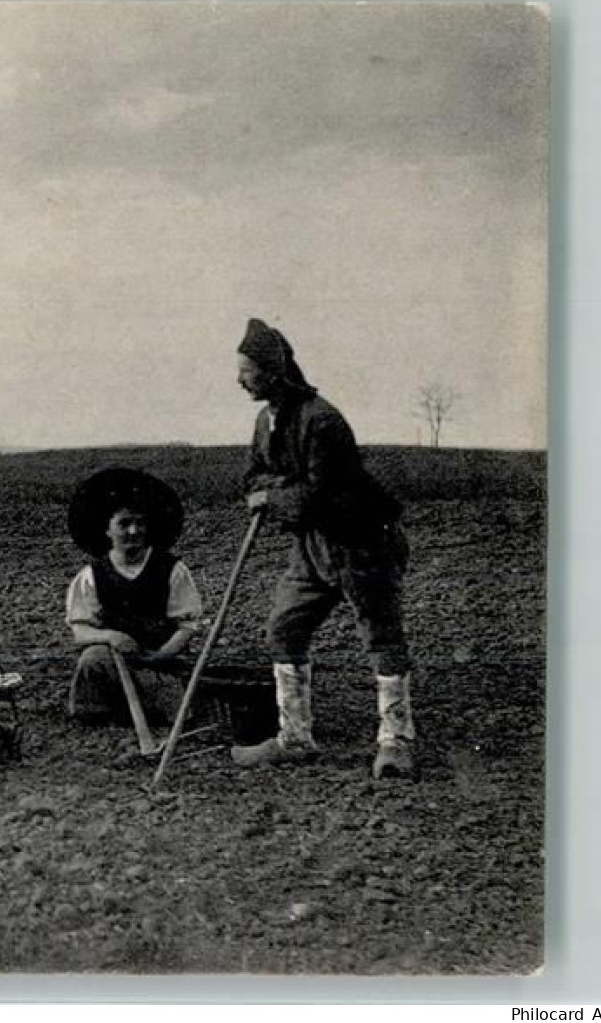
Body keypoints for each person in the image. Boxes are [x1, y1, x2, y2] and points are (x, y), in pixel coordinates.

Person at [229, 317, 417, 779]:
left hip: (361, 542)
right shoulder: (265, 419)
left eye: (247, 371)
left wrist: (273, 495)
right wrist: (274, 490)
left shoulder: (322, 420)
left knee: (381, 636)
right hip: (311, 547)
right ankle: (295, 738)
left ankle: (396, 743)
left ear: (273, 371)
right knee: (284, 629)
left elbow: (319, 494)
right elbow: (252, 477)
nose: (239, 380)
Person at [64, 467, 203, 727]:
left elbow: (188, 626)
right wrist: (111, 637)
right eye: (124, 523)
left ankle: (154, 707)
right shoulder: (91, 576)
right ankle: (99, 712)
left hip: (161, 659)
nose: (133, 531)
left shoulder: (171, 570)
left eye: (140, 523)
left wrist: (163, 655)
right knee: (92, 658)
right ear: (107, 530)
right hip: (117, 660)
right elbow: (80, 630)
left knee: (177, 710)